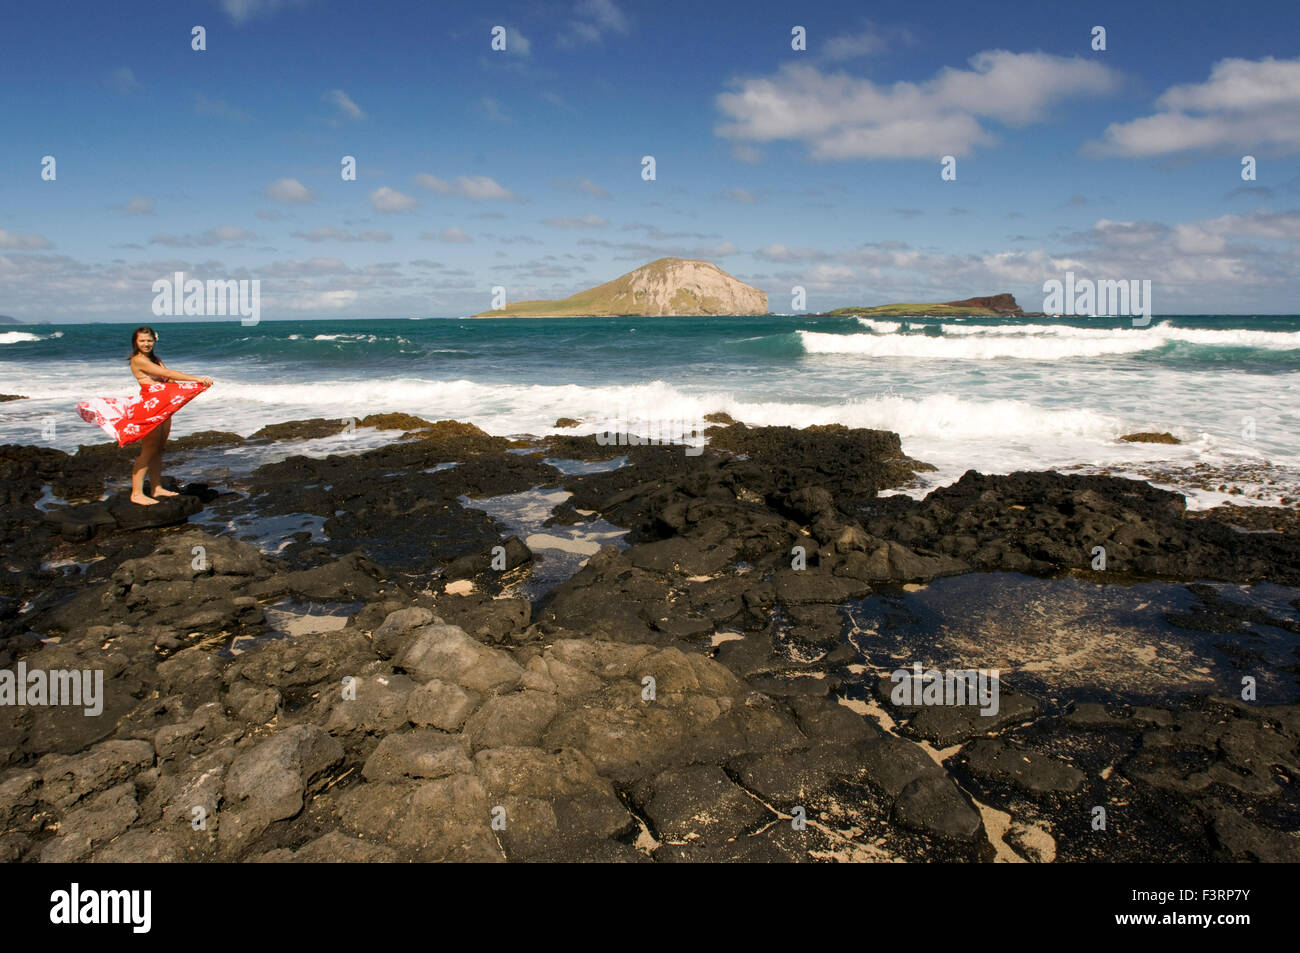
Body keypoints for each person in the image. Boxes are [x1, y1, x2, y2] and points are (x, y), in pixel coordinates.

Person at [76, 326, 214, 506]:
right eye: (142, 341)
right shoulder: (138, 360)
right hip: (149, 409)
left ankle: (156, 488)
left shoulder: (156, 359)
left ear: (154, 341)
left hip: (162, 407)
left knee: (158, 449)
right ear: (136, 342)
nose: (146, 344)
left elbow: (168, 380)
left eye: (149, 340)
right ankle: (136, 493)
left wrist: (181, 385)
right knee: (149, 450)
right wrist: (197, 379)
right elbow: (168, 374)